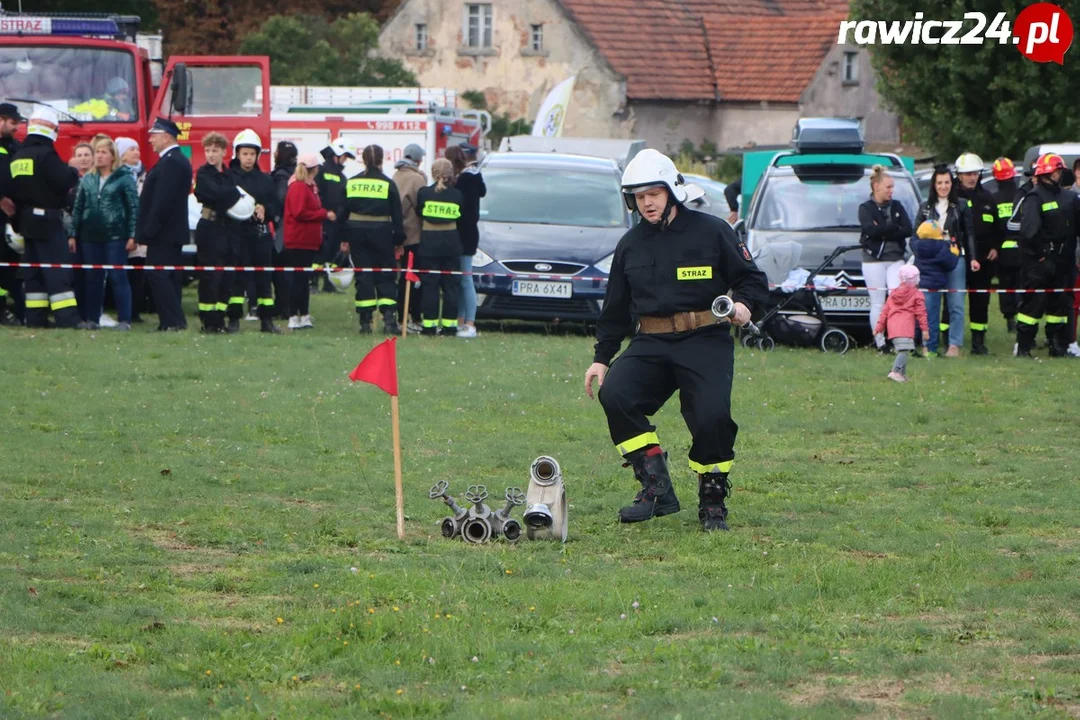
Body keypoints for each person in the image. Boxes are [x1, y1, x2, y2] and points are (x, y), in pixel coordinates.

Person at [583, 149, 768, 532]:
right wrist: (602, 358)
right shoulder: (630, 245)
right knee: (616, 394)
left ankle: (713, 500)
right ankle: (656, 488)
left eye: (654, 193)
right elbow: (615, 308)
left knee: (711, 416)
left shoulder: (713, 231)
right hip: (651, 343)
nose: (647, 202)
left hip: (705, 340)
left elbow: (753, 280)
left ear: (671, 191)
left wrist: (744, 306)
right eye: (639, 196)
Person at [4, 107, 81, 328]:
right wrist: (73, 171)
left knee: (33, 272)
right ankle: (67, 319)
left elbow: (13, 188)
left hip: (26, 221)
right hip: (48, 221)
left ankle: (36, 319)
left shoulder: (19, 155)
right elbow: (64, 180)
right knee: (57, 270)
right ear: (52, 129)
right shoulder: (45, 155)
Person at [69, 136, 138, 331]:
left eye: (103, 152)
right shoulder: (88, 179)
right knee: (93, 278)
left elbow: (133, 207)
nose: (99, 156)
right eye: (97, 152)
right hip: (89, 237)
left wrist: (133, 235)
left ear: (112, 156)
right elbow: (78, 207)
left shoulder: (124, 177)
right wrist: (73, 233)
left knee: (118, 277)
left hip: (116, 236)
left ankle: (125, 320)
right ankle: (93, 319)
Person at [1013, 153, 1076, 357]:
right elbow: (1029, 232)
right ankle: (1023, 347)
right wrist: (1041, 256)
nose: (1060, 174)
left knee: (1060, 305)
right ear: (1050, 172)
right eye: (1058, 171)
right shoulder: (1034, 197)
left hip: (1063, 261)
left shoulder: (1069, 198)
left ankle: (1057, 346)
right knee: (1033, 305)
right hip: (1039, 262)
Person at [340, 144, 404, 335]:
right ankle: (390, 319)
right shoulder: (388, 184)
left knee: (364, 274)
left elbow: (343, 213)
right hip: (382, 232)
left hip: (356, 232)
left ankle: (365, 321)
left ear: (364, 161)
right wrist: (398, 240)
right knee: (386, 273)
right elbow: (397, 216)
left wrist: (344, 238)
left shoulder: (351, 183)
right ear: (381, 161)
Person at [911, 164, 973, 356]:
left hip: (955, 258)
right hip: (932, 262)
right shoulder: (924, 207)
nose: (943, 186)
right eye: (939, 183)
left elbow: (969, 233)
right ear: (934, 185)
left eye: (946, 182)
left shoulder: (962, 205)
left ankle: (954, 344)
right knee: (930, 304)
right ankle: (929, 344)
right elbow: (915, 236)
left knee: (956, 303)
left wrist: (974, 257)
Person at [136, 117, 191, 331]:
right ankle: (169, 321)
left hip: (165, 233)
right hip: (167, 232)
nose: (150, 140)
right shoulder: (171, 160)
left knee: (157, 274)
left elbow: (163, 200)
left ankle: (174, 321)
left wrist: (149, 230)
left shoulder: (172, 162)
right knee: (166, 275)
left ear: (166, 137)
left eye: (154, 135)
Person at [229, 129, 281, 333]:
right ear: (237, 154)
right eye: (245, 154)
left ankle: (266, 321)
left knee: (264, 280)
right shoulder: (230, 178)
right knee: (237, 280)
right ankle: (234, 320)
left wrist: (265, 209)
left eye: (252, 154)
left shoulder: (265, 180)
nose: (249, 158)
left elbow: (276, 206)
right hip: (237, 234)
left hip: (260, 235)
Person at [858, 165, 913, 351]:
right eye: (888, 187)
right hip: (873, 260)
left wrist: (883, 230)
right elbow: (870, 230)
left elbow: (907, 229)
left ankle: (899, 340)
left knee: (898, 298)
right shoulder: (865, 208)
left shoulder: (897, 206)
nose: (891, 191)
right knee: (878, 302)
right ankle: (880, 343)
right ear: (876, 187)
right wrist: (892, 228)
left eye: (892, 187)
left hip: (896, 259)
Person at [194, 132, 245, 334]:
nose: (210, 155)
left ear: (224, 152)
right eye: (207, 150)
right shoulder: (204, 173)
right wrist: (231, 194)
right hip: (210, 227)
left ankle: (219, 318)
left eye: (215, 150)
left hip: (229, 228)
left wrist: (228, 194)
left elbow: (229, 195)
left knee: (227, 277)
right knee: (210, 276)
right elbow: (216, 194)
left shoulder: (230, 174)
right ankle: (208, 321)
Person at [954, 153, 998, 355]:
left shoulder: (987, 198)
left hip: (983, 259)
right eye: (968, 174)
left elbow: (998, 227)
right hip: (957, 258)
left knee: (981, 301)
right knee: (954, 301)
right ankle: (950, 340)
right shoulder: (952, 197)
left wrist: (995, 247)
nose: (973, 177)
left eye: (976, 173)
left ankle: (978, 342)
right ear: (959, 175)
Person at [415, 158, 464, 335]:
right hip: (451, 242)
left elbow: (419, 213)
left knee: (430, 285)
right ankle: (450, 327)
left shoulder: (423, 193)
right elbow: (462, 217)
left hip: (429, 242)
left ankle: (429, 326)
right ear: (450, 174)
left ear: (433, 173)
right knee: (451, 286)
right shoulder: (457, 195)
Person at [284, 154, 332, 330]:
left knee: (303, 280)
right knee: (297, 280)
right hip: (298, 240)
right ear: (315, 169)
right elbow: (299, 213)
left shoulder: (309, 187)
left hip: (306, 241)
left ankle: (303, 314)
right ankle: (292, 315)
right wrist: (323, 214)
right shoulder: (299, 187)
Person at [448, 143, 486, 338]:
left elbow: (464, 213)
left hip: (464, 235)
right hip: (468, 234)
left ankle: (469, 321)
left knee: (465, 279)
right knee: (462, 280)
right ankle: (461, 320)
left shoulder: (465, 181)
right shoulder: (472, 179)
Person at [912, 213, 959, 357]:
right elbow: (950, 264)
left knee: (917, 317)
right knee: (931, 319)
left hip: (919, 287)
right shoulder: (941, 246)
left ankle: (912, 344)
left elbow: (913, 239)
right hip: (933, 288)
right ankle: (930, 348)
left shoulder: (916, 245)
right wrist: (955, 252)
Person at [875, 264, 929, 382]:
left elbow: (885, 311)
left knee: (903, 350)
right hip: (905, 328)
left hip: (893, 327)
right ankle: (895, 372)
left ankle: (902, 374)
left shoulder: (893, 294)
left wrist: (879, 327)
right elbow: (921, 313)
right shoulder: (917, 295)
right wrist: (924, 329)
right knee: (903, 351)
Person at [392, 143, 426, 332]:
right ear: (418, 159)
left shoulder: (396, 176)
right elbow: (422, 207)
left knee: (401, 277)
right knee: (413, 279)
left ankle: (399, 315)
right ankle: (413, 318)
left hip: (397, 235)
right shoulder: (417, 179)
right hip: (413, 235)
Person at [315, 139, 353, 292]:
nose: (345, 160)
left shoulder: (343, 177)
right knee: (319, 255)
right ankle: (312, 283)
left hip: (336, 222)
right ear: (335, 155)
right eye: (344, 156)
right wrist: (325, 211)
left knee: (332, 254)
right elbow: (316, 194)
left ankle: (328, 284)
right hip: (322, 221)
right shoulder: (321, 171)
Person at [990, 157, 1022, 333]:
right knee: (1021, 283)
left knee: (1006, 285)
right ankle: (1021, 313)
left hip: (1002, 252)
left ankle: (1009, 317)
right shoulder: (1022, 197)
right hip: (1023, 250)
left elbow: (994, 228)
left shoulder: (994, 199)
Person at [0, 102, 24, 325]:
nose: (17, 127)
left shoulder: (15, 147)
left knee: (9, 265)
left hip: (12, 218)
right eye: (13, 123)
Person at [271, 141, 298, 320]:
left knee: (280, 271)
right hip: (296, 228)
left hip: (283, 228)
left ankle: (283, 307)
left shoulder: (280, 176)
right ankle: (291, 306)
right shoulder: (297, 174)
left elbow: (281, 199)